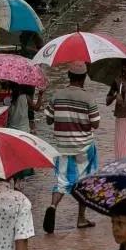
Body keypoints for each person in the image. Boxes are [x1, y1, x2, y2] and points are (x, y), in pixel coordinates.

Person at [43, 67, 102, 233]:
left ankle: (53, 206)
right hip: (84, 147)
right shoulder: (88, 98)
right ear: (84, 78)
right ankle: (81, 218)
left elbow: (48, 119)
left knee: (61, 180)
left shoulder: (56, 95)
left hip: (62, 146)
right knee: (84, 182)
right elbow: (96, 124)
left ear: (69, 76)